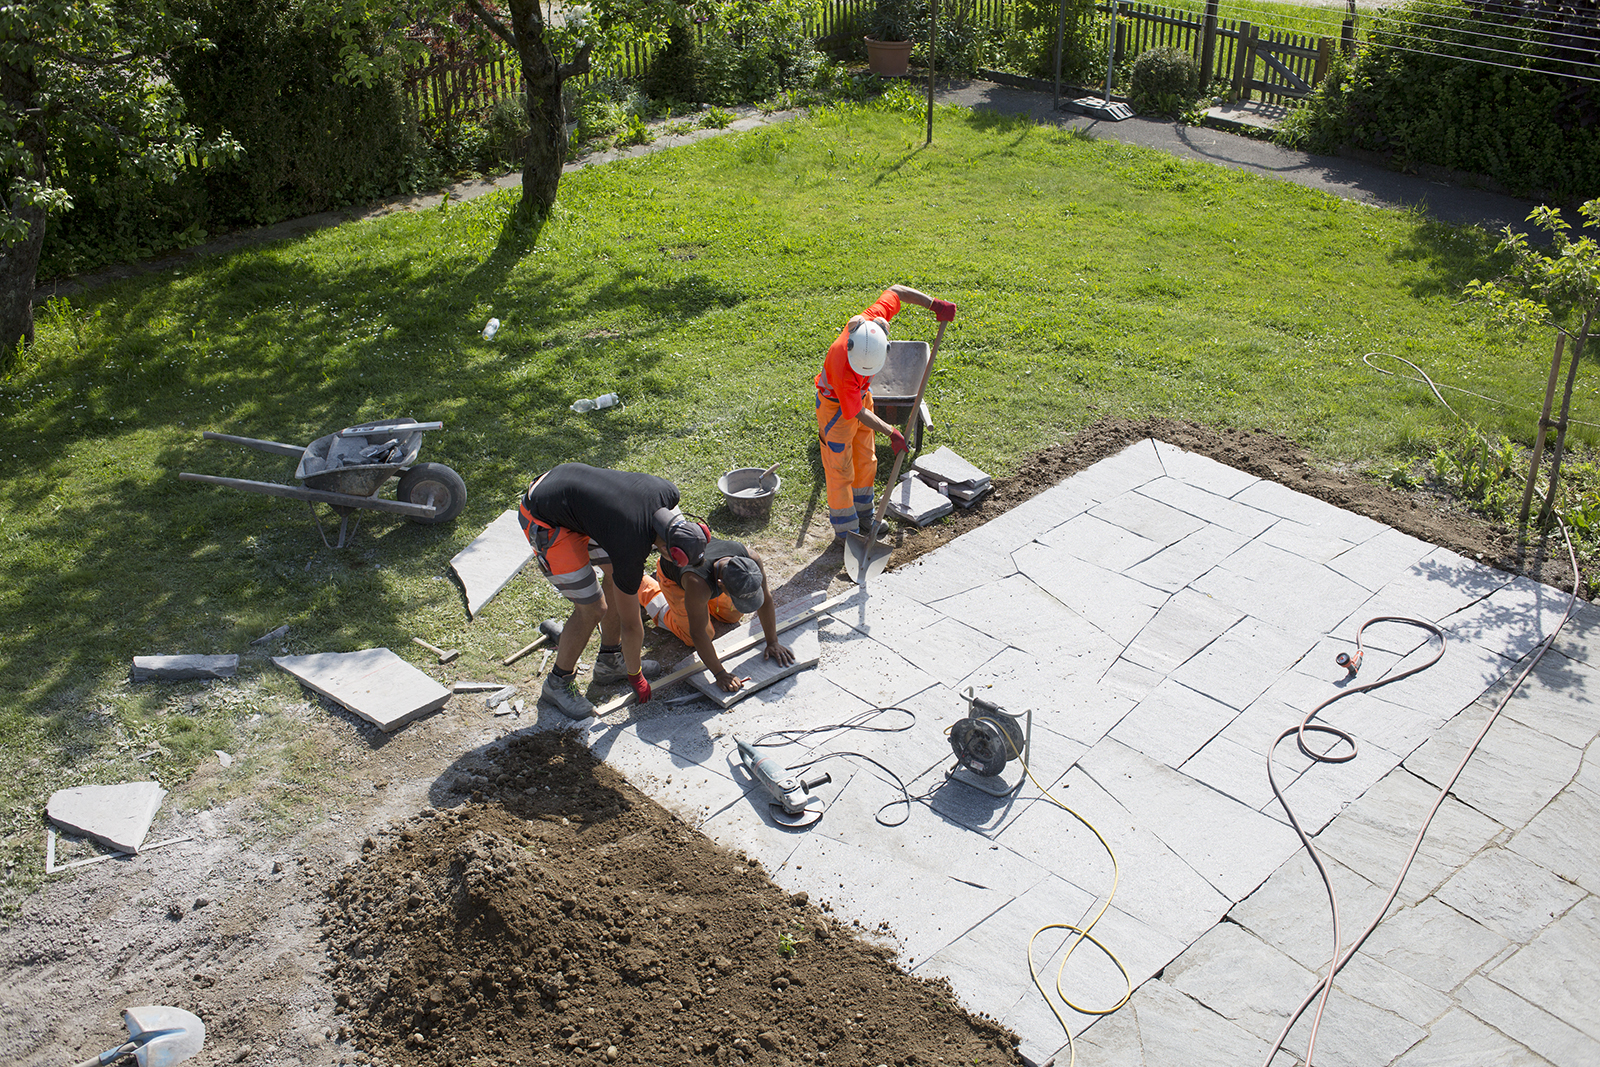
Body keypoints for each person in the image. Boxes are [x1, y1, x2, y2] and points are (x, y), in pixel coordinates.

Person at [518, 463, 709, 719]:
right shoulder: (630, 545)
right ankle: (558, 683)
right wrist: (635, 675)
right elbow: (631, 625)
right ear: (666, 549)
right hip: (544, 514)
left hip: (575, 496)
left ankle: (609, 661)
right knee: (592, 608)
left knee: (613, 574)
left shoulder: (668, 493)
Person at [814, 284, 957, 539]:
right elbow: (855, 412)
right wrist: (891, 431)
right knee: (840, 469)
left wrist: (934, 304)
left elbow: (897, 291)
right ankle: (847, 531)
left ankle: (864, 515)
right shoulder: (842, 364)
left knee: (866, 459)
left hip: (862, 398)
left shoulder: (873, 323)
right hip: (835, 409)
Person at [636, 538, 794, 693]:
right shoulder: (697, 583)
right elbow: (698, 634)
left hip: (706, 578)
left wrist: (772, 642)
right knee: (693, 636)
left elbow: (765, 599)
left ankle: (702, 604)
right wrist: (720, 674)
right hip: (676, 575)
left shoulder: (751, 561)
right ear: (721, 584)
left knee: (732, 616)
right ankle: (642, 582)